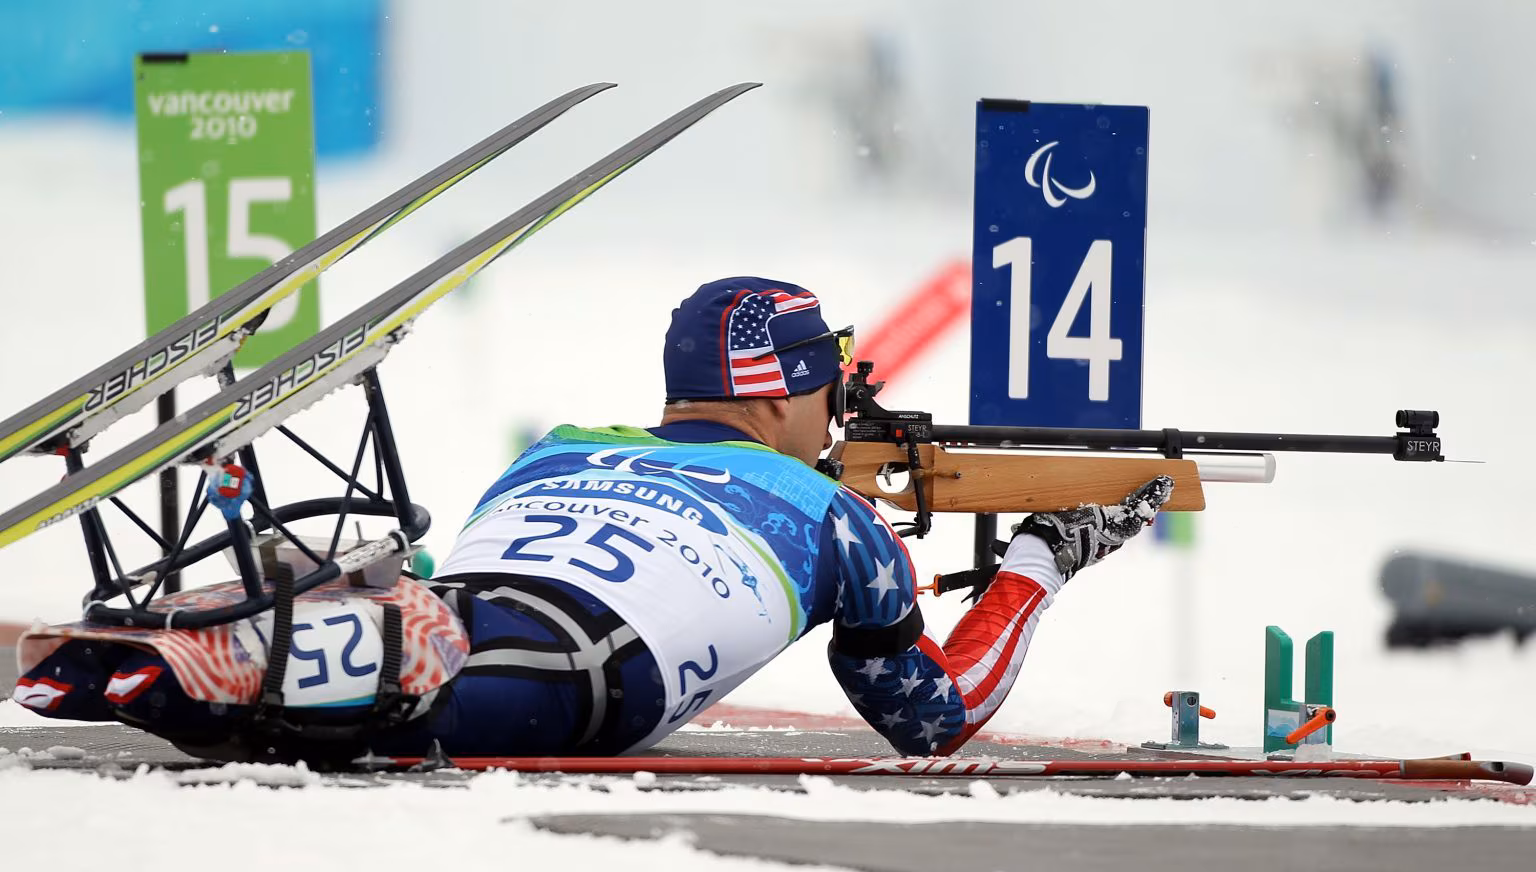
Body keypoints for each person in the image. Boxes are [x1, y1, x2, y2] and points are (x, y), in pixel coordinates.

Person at [12, 276, 1171, 762]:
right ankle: (228, 664)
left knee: (382, 667)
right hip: (568, 674)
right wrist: (1039, 562)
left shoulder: (561, 444)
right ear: (774, 386)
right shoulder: (829, 515)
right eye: (828, 381)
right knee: (405, 705)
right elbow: (934, 717)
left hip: (470, 610)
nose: (838, 407)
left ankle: (204, 641)